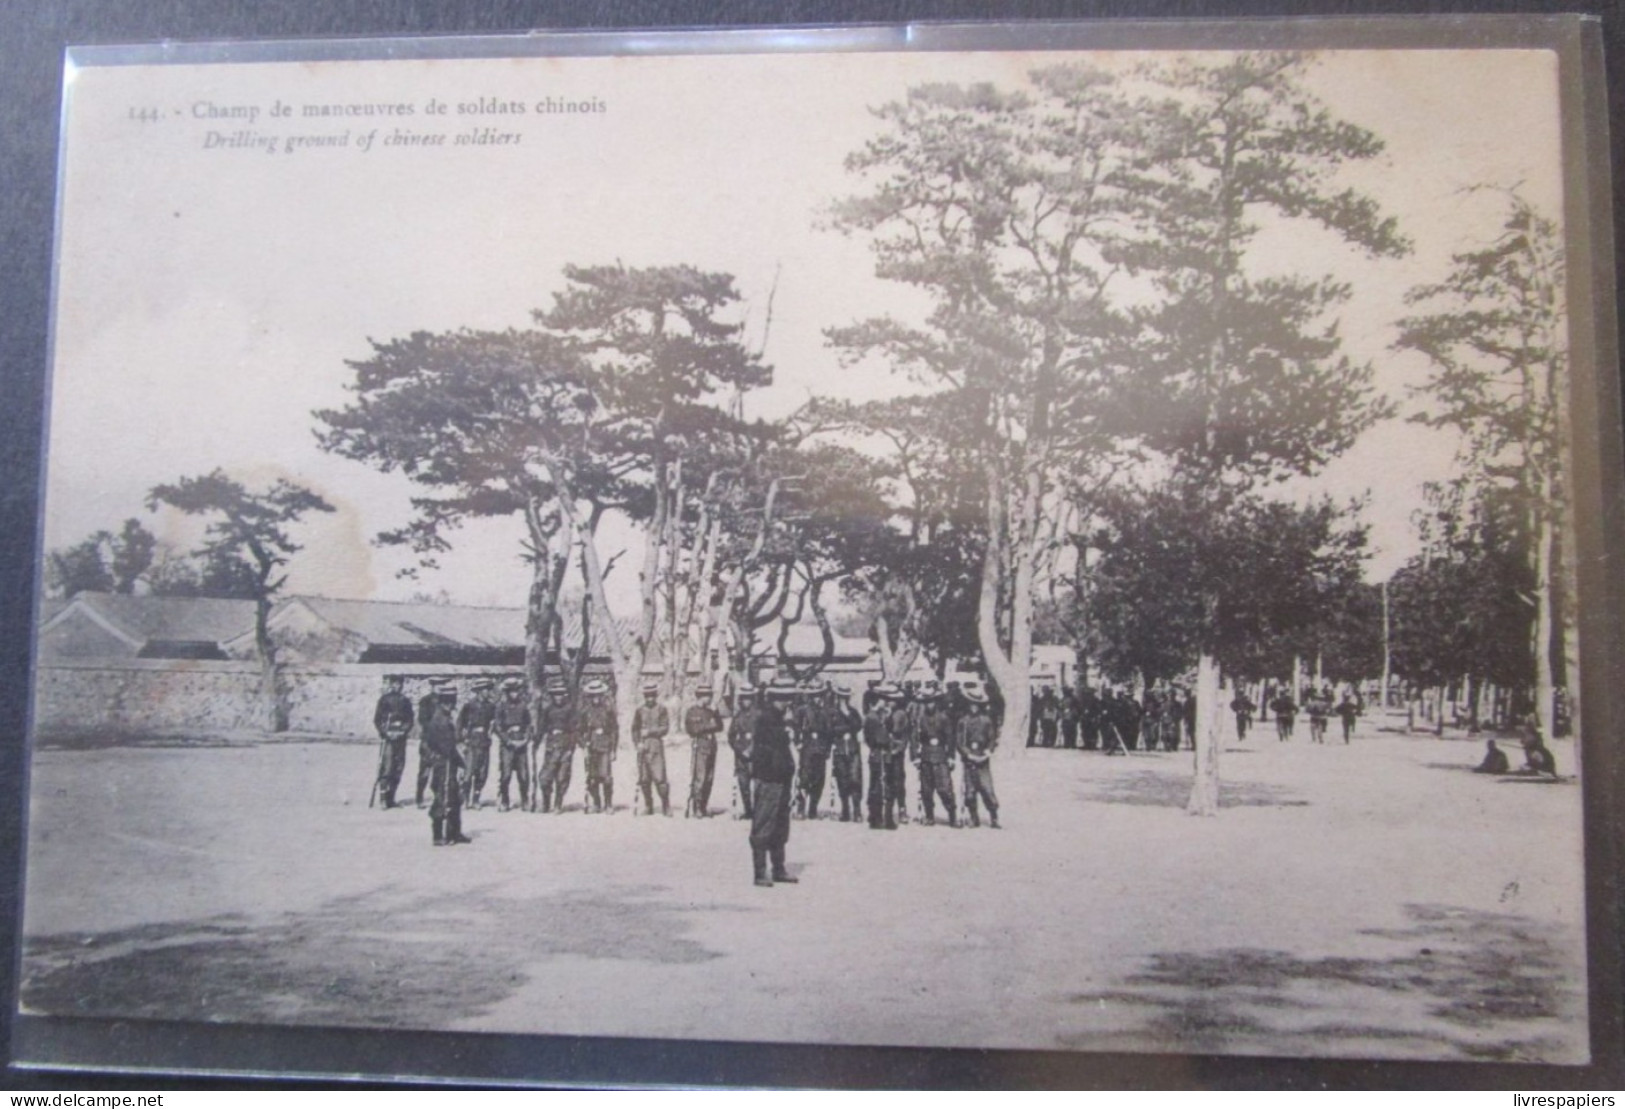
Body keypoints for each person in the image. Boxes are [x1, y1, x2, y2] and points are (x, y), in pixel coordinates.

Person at [750, 685, 800, 887]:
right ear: (778, 699)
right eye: (786, 699)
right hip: (769, 779)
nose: (789, 704)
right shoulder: (767, 720)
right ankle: (760, 872)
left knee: (780, 825)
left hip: (781, 779)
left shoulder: (778, 720)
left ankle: (778, 868)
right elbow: (768, 751)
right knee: (764, 824)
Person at [420, 678, 470, 846]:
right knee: (443, 797)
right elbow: (448, 747)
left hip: (448, 763)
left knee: (454, 797)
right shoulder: (440, 721)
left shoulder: (444, 718)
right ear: (443, 703)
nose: (451, 706)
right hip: (444, 764)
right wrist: (462, 763)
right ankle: (438, 834)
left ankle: (455, 832)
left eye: (452, 702)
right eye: (448, 703)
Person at [912, 685, 958, 827]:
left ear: (936, 702)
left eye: (931, 701)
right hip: (926, 756)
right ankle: (929, 816)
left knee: (944, 788)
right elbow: (915, 738)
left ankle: (952, 815)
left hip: (940, 756)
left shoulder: (943, 718)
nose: (929, 704)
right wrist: (915, 756)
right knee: (926, 789)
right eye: (926, 702)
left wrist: (951, 757)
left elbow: (950, 738)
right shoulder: (920, 719)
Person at [957, 689, 1000, 828]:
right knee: (969, 792)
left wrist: (988, 752)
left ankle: (994, 817)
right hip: (969, 759)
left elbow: (992, 738)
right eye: (971, 704)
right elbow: (960, 742)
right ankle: (973, 817)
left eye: (976, 704)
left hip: (983, 758)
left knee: (987, 789)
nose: (973, 707)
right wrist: (967, 754)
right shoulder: (963, 721)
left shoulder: (986, 720)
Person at [533, 678, 576, 813]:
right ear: (552, 696)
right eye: (555, 694)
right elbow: (541, 728)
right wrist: (535, 743)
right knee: (545, 777)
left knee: (562, 777)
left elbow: (575, 730)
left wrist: (571, 749)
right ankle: (546, 803)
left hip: (565, 746)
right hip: (551, 747)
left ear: (564, 695)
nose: (558, 697)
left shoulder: (570, 710)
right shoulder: (547, 710)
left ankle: (558, 804)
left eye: (560, 694)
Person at [371, 675, 414, 809]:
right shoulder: (384, 700)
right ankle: (383, 799)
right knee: (387, 767)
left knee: (398, 767)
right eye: (395, 683)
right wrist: (385, 733)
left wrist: (403, 731)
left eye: (400, 684)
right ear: (391, 684)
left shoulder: (405, 701)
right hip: (388, 738)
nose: (398, 686)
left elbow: (410, 720)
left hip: (400, 738)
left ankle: (391, 798)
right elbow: (377, 720)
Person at [792, 682, 834, 820]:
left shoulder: (825, 711)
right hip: (807, 747)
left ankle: (813, 808)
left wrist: (828, 748)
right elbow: (796, 727)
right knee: (804, 778)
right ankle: (801, 807)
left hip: (820, 748)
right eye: (814, 696)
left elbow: (829, 732)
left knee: (819, 779)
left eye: (819, 695)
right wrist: (798, 742)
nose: (817, 698)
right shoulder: (802, 710)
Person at [632, 681, 672, 816]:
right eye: (647, 696)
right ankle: (649, 805)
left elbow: (665, 728)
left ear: (656, 696)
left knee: (660, 777)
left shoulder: (662, 709)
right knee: (644, 778)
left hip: (656, 746)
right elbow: (635, 729)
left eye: (652, 696)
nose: (650, 699)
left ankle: (666, 805)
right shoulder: (639, 710)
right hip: (643, 747)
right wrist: (637, 743)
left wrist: (650, 731)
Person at [683, 684, 723, 818]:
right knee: (700, 778)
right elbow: (692, 730)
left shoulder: (711, 712)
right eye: (708, 696)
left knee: (709, 778)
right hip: (699, 746)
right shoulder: (692, 712)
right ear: (700, 696)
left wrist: (716, 716)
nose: (710, 698)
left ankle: (704, 806)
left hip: (711, 746)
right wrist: (708, 726)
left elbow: (720, 727)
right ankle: (697, 807)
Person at [580, 677, 619, 813]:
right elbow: (580, 730)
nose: (596, 698)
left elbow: (614, 730)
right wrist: (584, 745)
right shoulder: (585, 711)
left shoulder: (608, 710)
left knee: (606, 776)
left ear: (602, 696)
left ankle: (608, 804)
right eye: (593, 695)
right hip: (592, 747)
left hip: (605, 747)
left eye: (598, 695)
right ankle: (597, 802)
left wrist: (613, 749)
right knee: (592, 777)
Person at [493, 677, 533, 812]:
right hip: (507, 745)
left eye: (516, 691)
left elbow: (528, 724)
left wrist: (526, 739)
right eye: (511, 692)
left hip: (521, 743)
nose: (514, 694)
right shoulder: (500, 707)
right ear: (507, 693)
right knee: (506, 774)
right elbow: (498, 727)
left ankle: (525, 799)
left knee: (524, 775)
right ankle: (504, 799)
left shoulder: (523, 706)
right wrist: (507, 741)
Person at [457, 677, 497, 809]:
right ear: (479, 691)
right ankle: (464, 799)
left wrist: (491, 732)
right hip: (472, 741)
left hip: (484, 741)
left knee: (482, 772)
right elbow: (460, 723)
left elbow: (494, 722)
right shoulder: (469, 705)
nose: (487, 692)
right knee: (468, 772)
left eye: (488, 689)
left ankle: (476, 799)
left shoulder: (491, 706)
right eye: (485, 690)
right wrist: (461, 740)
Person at [864, 685, 899, 830]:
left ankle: (886, 817)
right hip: (878, 754)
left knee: (888, 785)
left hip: (886, 755)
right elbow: (872, 739)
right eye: (883, 700)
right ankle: (876, 817)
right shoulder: (872, 717)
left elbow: (893, 731)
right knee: (877, 786)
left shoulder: (886, 716)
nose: (885, 703)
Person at [828, 684, 865, 822]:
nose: (844, 700)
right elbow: (831, 730)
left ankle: (857, 811)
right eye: (841, 697)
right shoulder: (833, 713)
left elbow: (858, 725)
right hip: (839, 750)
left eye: (846, 698)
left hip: (853, 749)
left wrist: (847, 715)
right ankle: (845, 810)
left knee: (855, 779)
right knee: (842, 780)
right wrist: (845, 729)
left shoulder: (853, 712)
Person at [729, 685, 760, 820]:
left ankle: (758, 811)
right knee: (743, 784)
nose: (746, 701)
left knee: (758, 785)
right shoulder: (737, 717)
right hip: (741, 756)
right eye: (744, 698)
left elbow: (763, 735)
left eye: (749, 698)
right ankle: (748, 810)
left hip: (757, 755)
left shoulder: (759, 715)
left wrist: (753, 749)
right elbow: (731, 736)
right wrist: (740, 750)